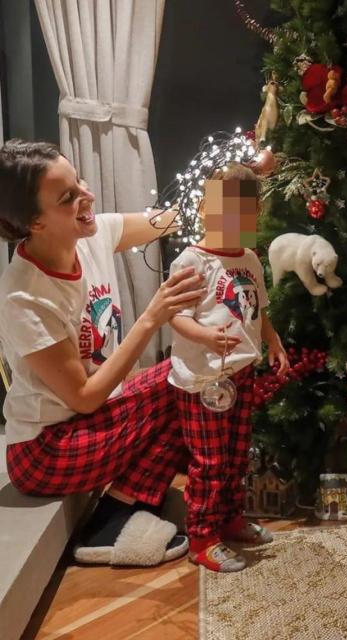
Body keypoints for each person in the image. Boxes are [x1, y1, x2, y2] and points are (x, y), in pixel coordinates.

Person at [0, 139, 206, 566]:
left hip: (86, 424)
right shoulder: (24, 296)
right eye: (68, 197)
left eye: (80, 181)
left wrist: (235, 190)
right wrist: (152, 317)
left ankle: (121, 509)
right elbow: (85, 397)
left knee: (189, 373)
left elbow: (169, 218)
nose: (86, 196)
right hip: (45, 451)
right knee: (180, 378)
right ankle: (113, 524)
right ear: (35, 222)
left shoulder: (89, 236)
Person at [167, 161, 288, 572]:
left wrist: (273, 343)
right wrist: (206, 337)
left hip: (241, 374)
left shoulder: (249, 259)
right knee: (209, 461)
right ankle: (201, 535)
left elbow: (260, 310)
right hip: (204, 380)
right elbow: (175, 315)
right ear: (205, 209)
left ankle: (231, 519)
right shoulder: (191, 260)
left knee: (236, 457)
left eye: (245, 214)